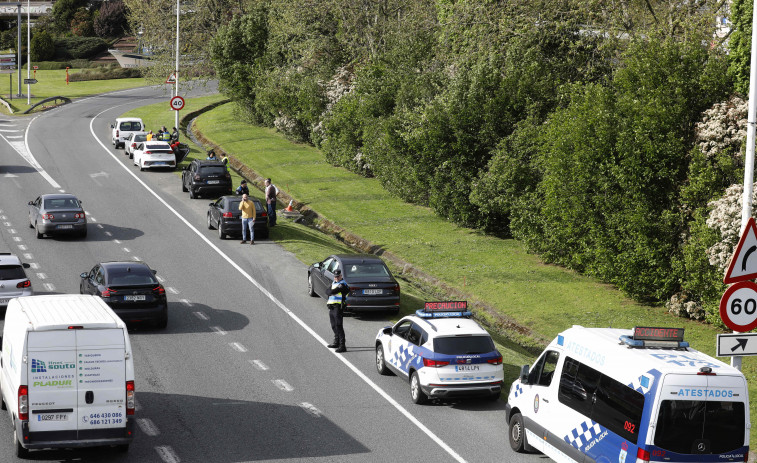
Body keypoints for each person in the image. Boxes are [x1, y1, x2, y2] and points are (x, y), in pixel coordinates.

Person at [327, 269, 349, 353]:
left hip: (338, 307)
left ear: (341, 276)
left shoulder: (342, 285)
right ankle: (336, 342)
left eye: (337, 276)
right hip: (332, 307)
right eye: (335, 276)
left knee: (339, 326)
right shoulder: (334, 283)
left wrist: (331, 291)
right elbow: (327, 291)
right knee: (333, 326)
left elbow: (332, 291)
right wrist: (331, 292)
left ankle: (342, 346)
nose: (336, 278)